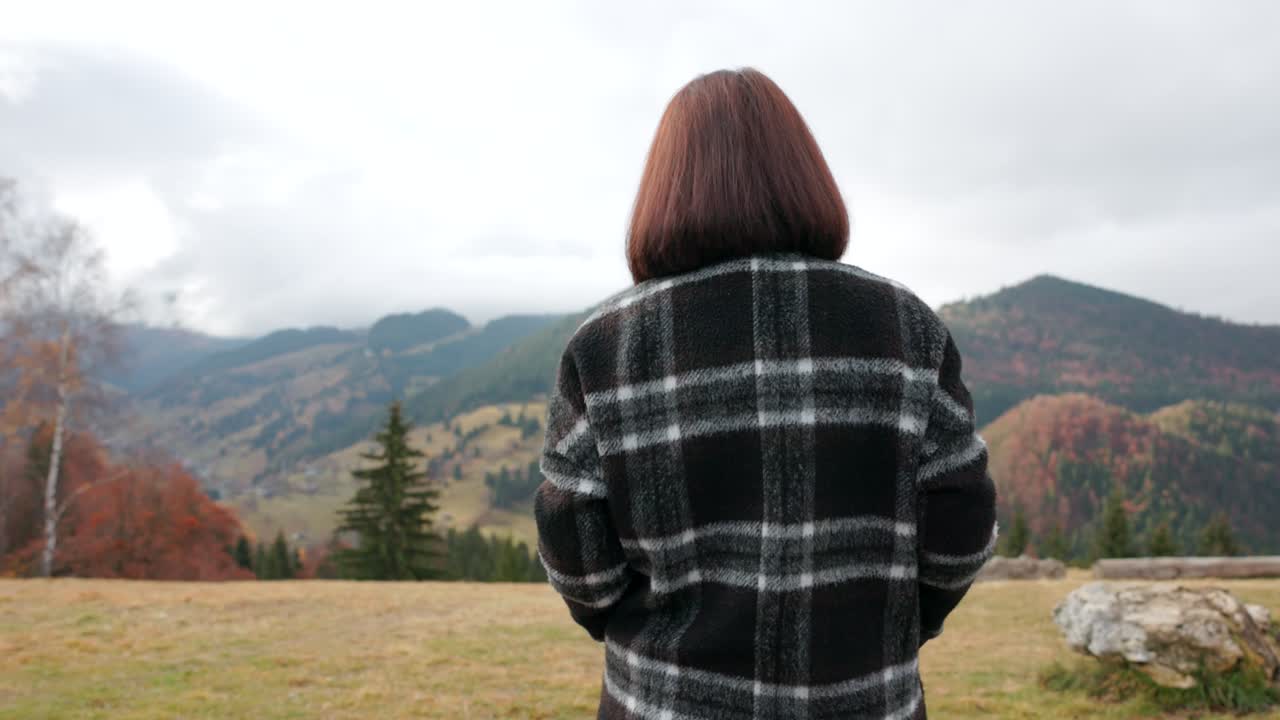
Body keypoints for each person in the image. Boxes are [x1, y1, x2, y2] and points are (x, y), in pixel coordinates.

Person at [535, 67, 997, 720]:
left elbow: (576, 552)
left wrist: (645, 634)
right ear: (804, 175)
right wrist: (884, 629)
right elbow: (961, 528)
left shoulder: (603, 347)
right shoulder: (906, 327)